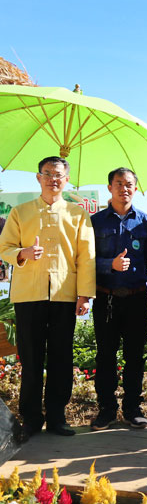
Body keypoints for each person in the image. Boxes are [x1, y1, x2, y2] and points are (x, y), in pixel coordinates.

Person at [0, 156, 96, 438]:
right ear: (38, 177)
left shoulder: (78, 215)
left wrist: (84, 295)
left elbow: (86, 257)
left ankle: (57, 417)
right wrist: (23, 253)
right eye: (48, 173)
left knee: (61, 357)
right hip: (28, 295)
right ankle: (30, 419)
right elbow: (4, 247)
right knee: (30, 358)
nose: (53, 179)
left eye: (58, 175)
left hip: (65, 295)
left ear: (67, 180)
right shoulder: (20, 212)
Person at [90, 168, 147, 431]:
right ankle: (106, 410)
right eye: (119, 184)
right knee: (105, 356)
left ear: (135, 189)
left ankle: (132, 409)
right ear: (109, 187)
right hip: (105, 298)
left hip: (136, 298)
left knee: (135, 356)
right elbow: (85, 260)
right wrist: (110, 265)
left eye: (129, 184)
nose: (124, 189)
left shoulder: (145, 221)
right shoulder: (95, 222)